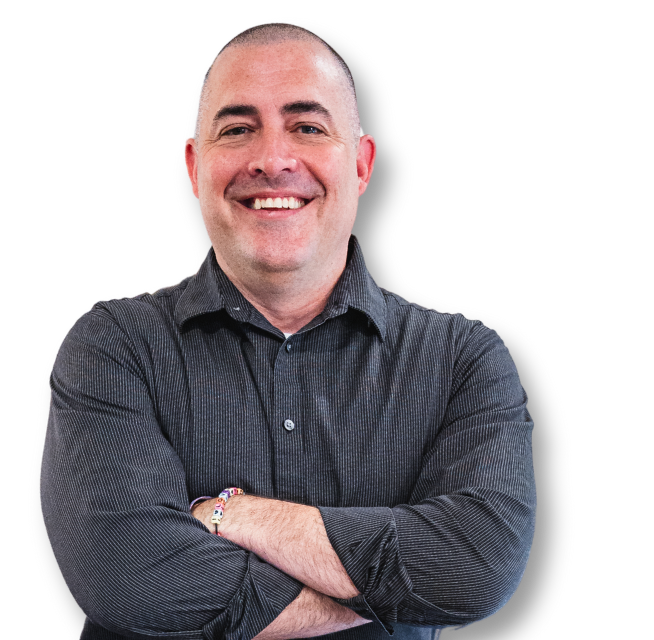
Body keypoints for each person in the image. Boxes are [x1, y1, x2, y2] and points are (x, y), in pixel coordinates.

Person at [40, 22, 536, 640]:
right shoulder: (111, 346)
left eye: (307, 127)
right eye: (238, 129)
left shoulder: (464, 359)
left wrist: (235, 516)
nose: (272, 160)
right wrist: (394, 588)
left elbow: (477, 568)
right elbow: (133, 581)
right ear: (195, 167)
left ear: (361, 164)